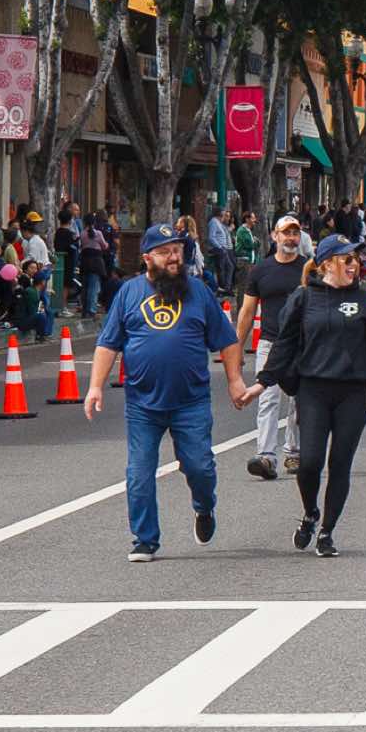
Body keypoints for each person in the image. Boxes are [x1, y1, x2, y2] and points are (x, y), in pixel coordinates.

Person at [84, 222, 245, 562]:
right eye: (165, 252)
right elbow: (108, 343)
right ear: (147, 258)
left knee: (200, 467)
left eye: (177, 251)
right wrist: (95, 386)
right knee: (139, 473)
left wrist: (234, 380)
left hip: (191, 401)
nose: (174, 258)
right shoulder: (129, 293)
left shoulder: (199, 291)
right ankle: (145, 539)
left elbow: (228, 340)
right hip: (142, 404)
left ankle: (204, 506)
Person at [251, 233, 366, 557]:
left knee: (340, 463)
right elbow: (284, 343)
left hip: (353, 392)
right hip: (313, 390)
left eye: (355, 259)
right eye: (347, 259)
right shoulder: (304, 298)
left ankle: (327, 531)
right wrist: (263, 382)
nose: (354, 265)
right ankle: (310, 513)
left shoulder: (364, 300)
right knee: (309, 463)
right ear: (327, 264)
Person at [235, 215, 310, 482]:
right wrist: (237, 349)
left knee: (299, 400)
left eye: (295, 233)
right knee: (267, 398)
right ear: (274, 236)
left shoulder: (308, 269)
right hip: (269, 343)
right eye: (286, 233)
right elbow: (247, 311)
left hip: (301, 345)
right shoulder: (261, 271)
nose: (291, 238)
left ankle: (294, 451)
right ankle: (266, 456)